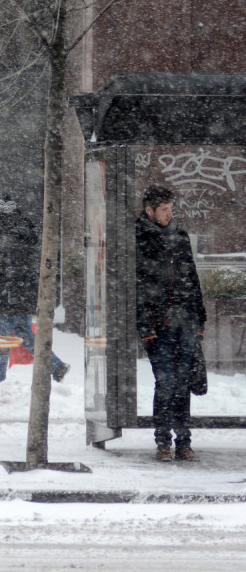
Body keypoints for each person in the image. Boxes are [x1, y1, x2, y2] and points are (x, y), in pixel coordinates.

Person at [135, 185, 207, 462]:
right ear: (149, 210)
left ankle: (184, 441)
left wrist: (199, 318)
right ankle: (163, 440)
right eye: (165, 209)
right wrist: (146, 326)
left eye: (171, 208)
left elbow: (192, 278)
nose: (170, 213)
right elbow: (137, 286)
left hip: (186, 321)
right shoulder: (138, 237)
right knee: (165, 383)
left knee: (182, 384)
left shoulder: (180, 236)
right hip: (159, 324)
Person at [0, 195, 69, 383]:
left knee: (1, 340)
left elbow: (1, 268)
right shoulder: (20, 232)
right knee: (26, 336)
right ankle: (56, 366)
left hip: (9, 297)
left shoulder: (9, 238)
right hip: (21, 295)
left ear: (2, 216)